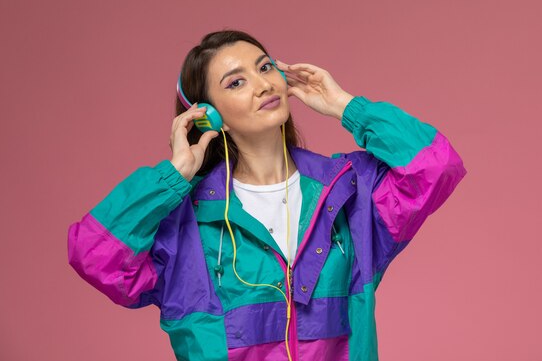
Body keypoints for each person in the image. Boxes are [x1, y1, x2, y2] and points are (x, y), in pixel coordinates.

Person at [67, 29, 467, 361]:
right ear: (208, 113)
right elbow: (94, 254)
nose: (262, 85)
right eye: (237, 82)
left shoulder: (349, 192)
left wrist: (347, 106)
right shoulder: (187, 224)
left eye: (264, 67)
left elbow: (436, 167)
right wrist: (173, 177)